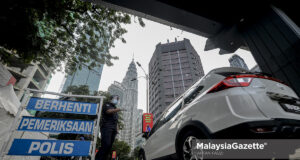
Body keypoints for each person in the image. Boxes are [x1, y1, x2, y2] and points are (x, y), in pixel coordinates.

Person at [95, 95, 122, 160]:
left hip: (113, 129)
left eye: (118, 99)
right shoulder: (107, 105)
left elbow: (116, 120)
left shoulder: (114, 107)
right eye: (116, 98)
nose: (117, 100)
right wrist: (118, 109)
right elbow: (108, 111)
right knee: (106, 144)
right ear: (111, 99)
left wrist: (117, 128)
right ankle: (98, 158)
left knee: (109, 146)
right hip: (106, 126)